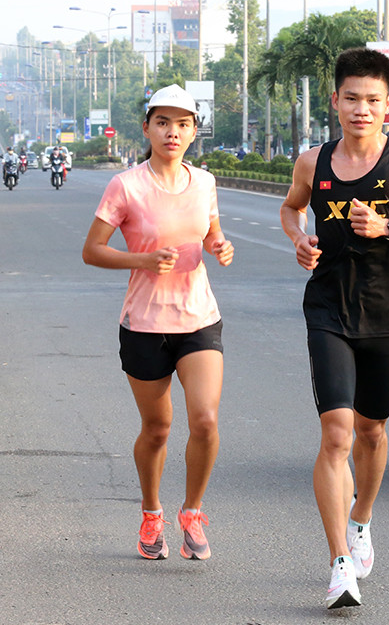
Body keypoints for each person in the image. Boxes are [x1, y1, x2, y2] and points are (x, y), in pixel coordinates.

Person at [280, 47, 389, 610]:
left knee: (372, 431)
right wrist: (299, 239)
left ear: (387, 105)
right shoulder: (313, 162)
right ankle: (338, 565)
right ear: (335, 101)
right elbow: (291, 209)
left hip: (386, 311)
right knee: (336, 433)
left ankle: (361, 519)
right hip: (327, 308)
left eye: (372, 100)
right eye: (351, 98)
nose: (361, 109)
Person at [82, 84, 234, 563]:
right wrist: (143, 260)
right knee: (158, 428)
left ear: (194, 132)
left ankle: (191, 511)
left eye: (183, 124)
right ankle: (151, 512)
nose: (173, 132)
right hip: (144, 324)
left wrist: (220, 247)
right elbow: (93, 250)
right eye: (163, 122)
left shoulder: (205, 183)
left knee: (205, 421)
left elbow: (212, 233)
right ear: (147, 128)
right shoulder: (125, 185)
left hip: (199, 318)